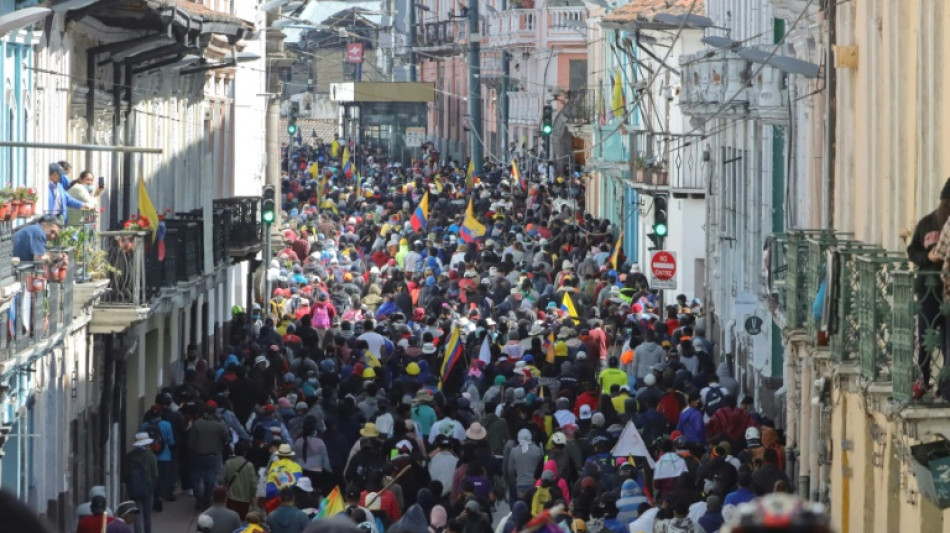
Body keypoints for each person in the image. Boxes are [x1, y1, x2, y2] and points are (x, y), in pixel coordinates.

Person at [908, 177, 950, 398]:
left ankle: (945, 386)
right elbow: (912, 251)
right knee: (925, 337)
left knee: (947, 340)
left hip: (947, 291)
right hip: (927, 289)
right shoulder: (926, 223)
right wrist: (927, 257)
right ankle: (922, 381)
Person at [188, 403, 231, 510]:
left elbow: (190, 443)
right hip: (213, 455)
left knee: (196, 479)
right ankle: (207, 500)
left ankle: (199, 499)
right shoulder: (219, 425)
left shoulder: (197, 424)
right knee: (210, 479)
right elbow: (226, 438)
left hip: (198, 455)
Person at [124, 432, 157, 533]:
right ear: (146, 444)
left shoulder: (129, 456)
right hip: (147, 489)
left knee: (136, 516)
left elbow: (126, 474)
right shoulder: (150, 456)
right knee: (147, 516)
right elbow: (155, 474)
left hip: (134, 490)